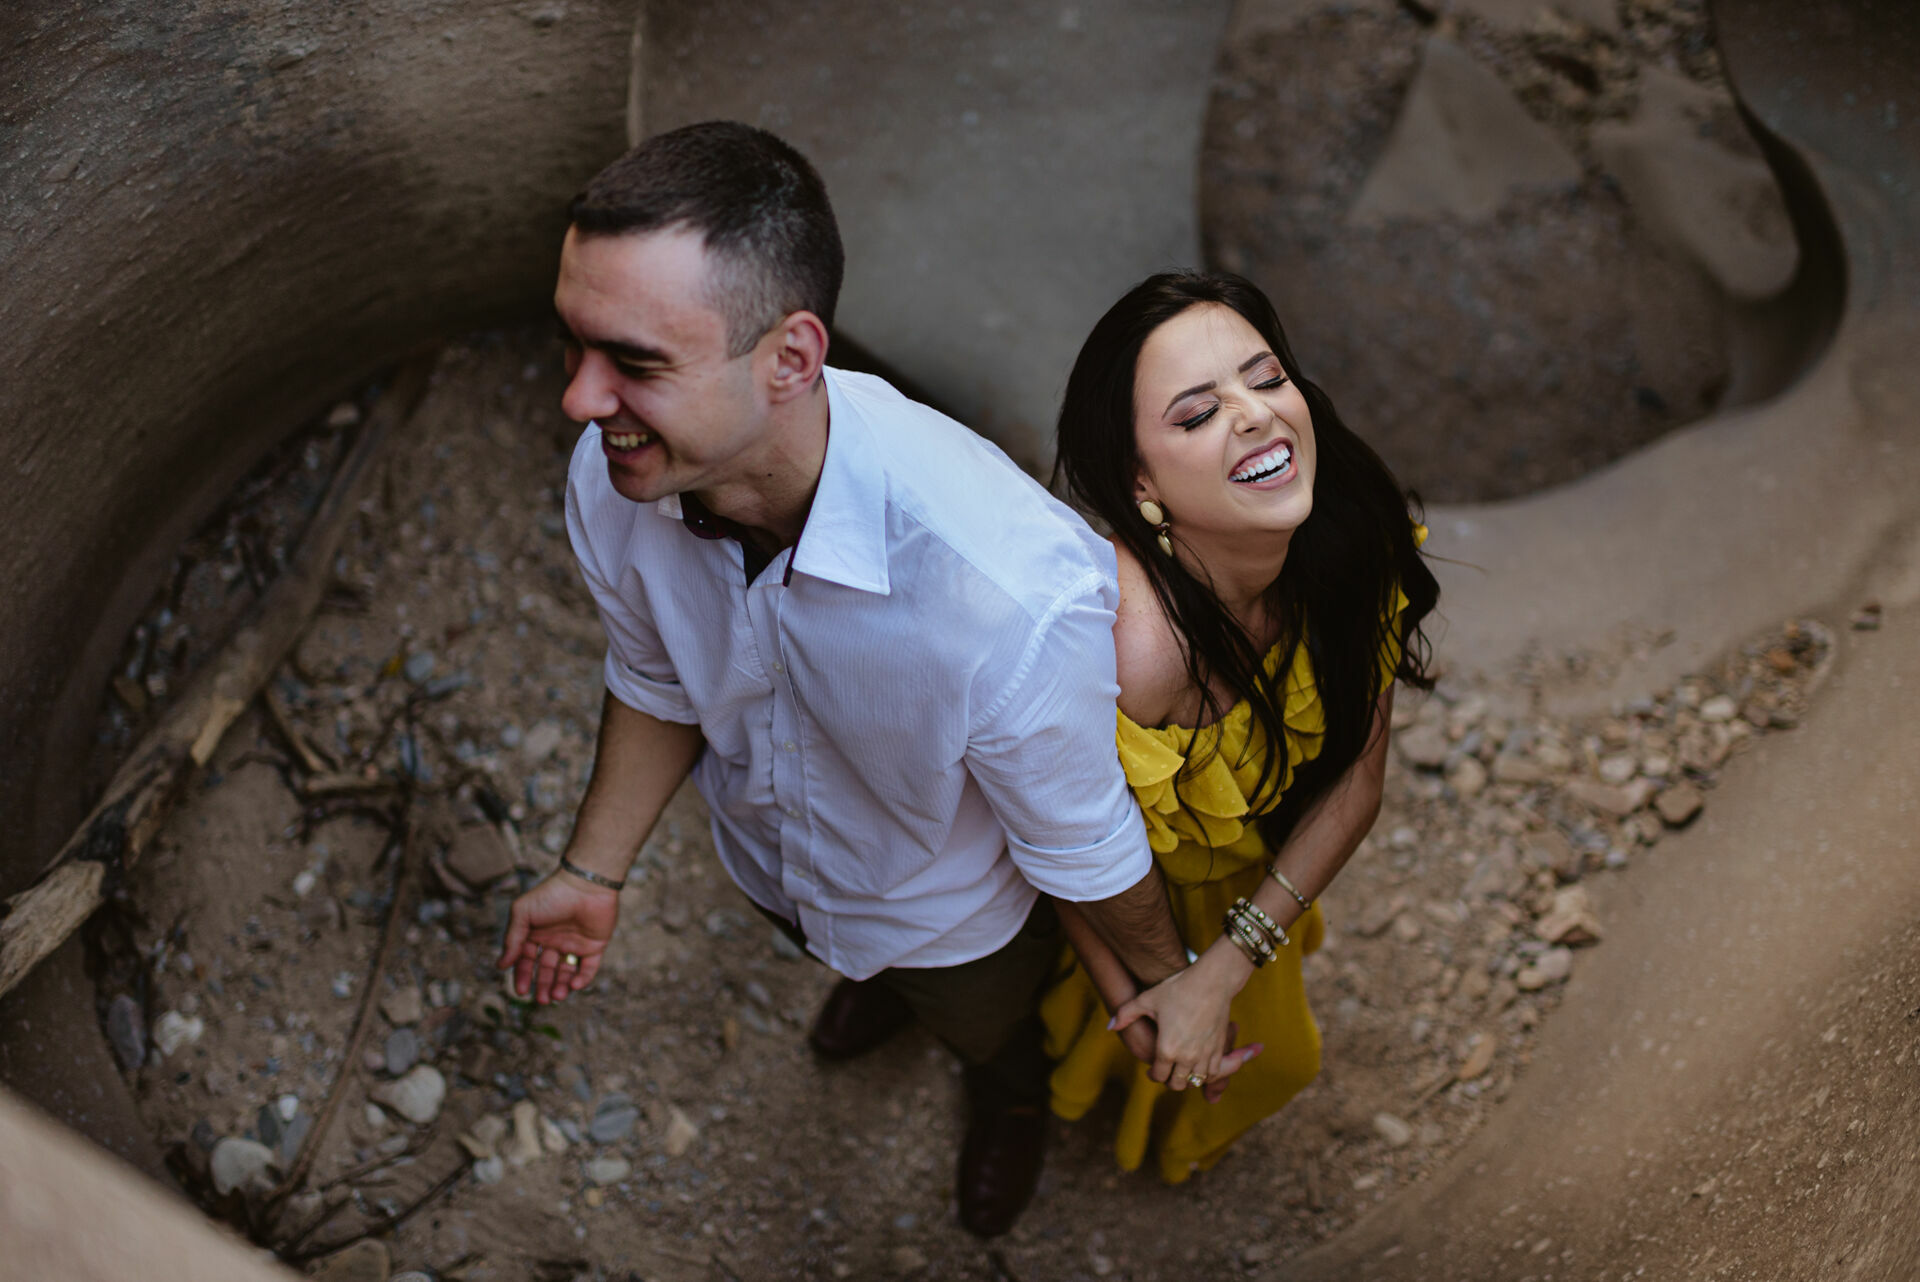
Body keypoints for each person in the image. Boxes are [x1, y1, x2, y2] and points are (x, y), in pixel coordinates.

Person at [492, 121, 1213, 1237]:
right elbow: (655, 675)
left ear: (789, 359)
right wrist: (596, 867)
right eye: (576, 347)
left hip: (948, 919)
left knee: (984, 1026)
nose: (579, 403)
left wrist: (1171, 982)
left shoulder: (996, 595)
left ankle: (1004, 1092)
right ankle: (866, 976)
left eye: (634, 363)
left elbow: (1084, 843)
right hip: (772, 864)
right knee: (831, 939)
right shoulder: (619, 475)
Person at [1040, 270, 1439, 1183]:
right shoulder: (1131, 656)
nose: (1256, 416)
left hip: (1253, 891)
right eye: (1195, 415)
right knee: (1072, 1038)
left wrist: (1221, 972)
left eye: (1266, 380)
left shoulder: (1347, 538)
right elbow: (1051, 838)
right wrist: (1136, 995)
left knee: (1280, 1062)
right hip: (1108, 904)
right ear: (1141, 482)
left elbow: (1358, 781)